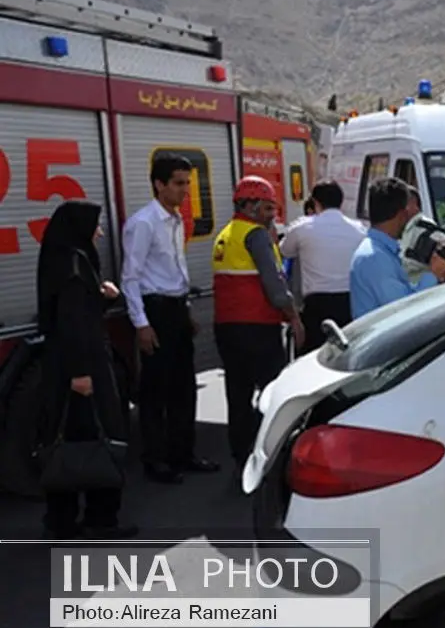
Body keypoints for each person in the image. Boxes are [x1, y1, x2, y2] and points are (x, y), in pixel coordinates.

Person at [36, 201, 137, 539]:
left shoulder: (61, 260)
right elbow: (73, 323)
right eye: (95, 225)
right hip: (82, 369)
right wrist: (81, 374)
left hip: (63, 368)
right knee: (99, 438)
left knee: (66, 440)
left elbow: (74, 312)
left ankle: (61, 519)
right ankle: (101, 517)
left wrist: (103, 297)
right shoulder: (74, 265)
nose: (99, 232)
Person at [121, 154, 216, 484]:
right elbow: (130, 277)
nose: (185, 190)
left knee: (184, 387)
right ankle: (156, 460)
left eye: (187, 183)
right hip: (155, 311)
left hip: (175, 308)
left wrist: (186, 311)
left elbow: (176, 271)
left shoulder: (175, 221)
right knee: (155, 390)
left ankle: (183, 454)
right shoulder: (144, 223)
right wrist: (141, 324)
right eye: (178, 183)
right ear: (159, 184)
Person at [212, 176, 303, 473]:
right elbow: (275, 286)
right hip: (257, 327)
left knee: (237, 394)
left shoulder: (227, 233)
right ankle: (271, 456)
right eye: (266, 208)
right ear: (249, 206)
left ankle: (241, 456)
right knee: (272, 393)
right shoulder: (256, 235)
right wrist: (294, 317)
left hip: (227, 328)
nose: (271, 215)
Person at [279, 180, 366, 355]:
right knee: (347, 356)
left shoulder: (302, 228)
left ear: (316, 203)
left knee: (313, 359)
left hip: (316, 306)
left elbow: (285, 250)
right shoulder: (359, 229)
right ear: (341, 202)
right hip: (349, 303)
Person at [350, 177, 445, 320]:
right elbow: (402, 309)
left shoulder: (380, 251)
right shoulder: (374, 258)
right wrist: (434, 274)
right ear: (403, 214)